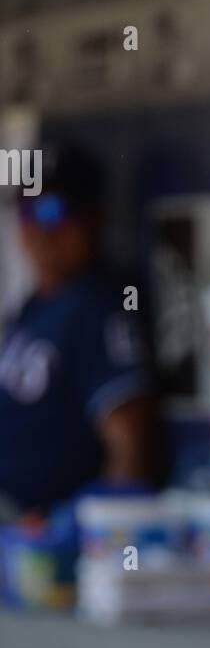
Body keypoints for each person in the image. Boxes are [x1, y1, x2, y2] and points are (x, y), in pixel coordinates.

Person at [0, 143, 160, 518]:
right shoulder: (30, 309)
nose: (39, 229)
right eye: (26, 213)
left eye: (52, 211)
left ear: (92, 218)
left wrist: (104, 542)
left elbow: (130, 442)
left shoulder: (99, 307)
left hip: (51, 532)